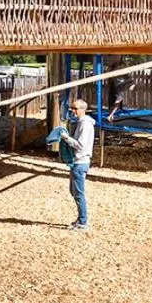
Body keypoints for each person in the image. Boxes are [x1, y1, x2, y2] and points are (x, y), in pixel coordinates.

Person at [60, 98, 95, 230]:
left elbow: (80, 145)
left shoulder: (85, 125)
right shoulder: (81, 123)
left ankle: (83, 222)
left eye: (75, 109)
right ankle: (81, 218)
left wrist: (66, 138)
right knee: (73, 191)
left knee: (78, 193)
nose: (73, 111)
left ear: (82, 109)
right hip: (77, 162)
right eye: (72, 109)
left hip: (80, 162)